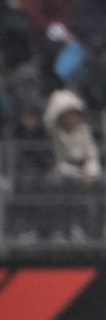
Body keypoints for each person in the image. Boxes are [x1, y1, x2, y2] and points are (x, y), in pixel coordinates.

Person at [42, 89, 100, 240]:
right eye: (68, 115)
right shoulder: (55, 134)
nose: (72, 119)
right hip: (65, 173)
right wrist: (78, 174)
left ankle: (94, 229)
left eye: (74, 114)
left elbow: (92, 156)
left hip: (85, 174)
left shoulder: (85, 131)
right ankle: (62, 229)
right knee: (62, 184)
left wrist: (90, 172)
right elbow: (58, 163)